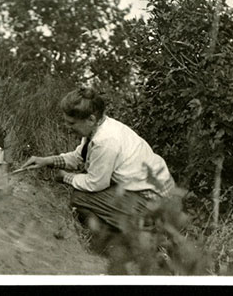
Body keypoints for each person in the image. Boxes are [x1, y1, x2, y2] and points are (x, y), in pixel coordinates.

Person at [20, 87, 176, 270]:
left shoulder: (106, 141)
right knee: (86, 193)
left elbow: (95, 183)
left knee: (81, 198)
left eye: (71, 123)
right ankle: (127, 238)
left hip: (154, 204)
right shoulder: (99, 128)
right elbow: (79, 157)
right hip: (147, 195)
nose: (68, 128)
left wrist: (66, 178)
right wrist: (47, 161)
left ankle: (144, 242)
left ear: (91, 119)